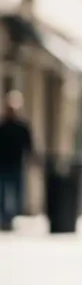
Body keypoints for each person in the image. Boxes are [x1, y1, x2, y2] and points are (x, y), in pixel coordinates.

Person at [0, 91, 32, 231]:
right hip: (3, 164)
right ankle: (5, 218)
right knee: (2, 193)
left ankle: (11, 217)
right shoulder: (2, 127)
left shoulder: (22, 127)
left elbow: (29, 146)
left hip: (17, 164)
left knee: (17, 192)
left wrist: (32, 161)